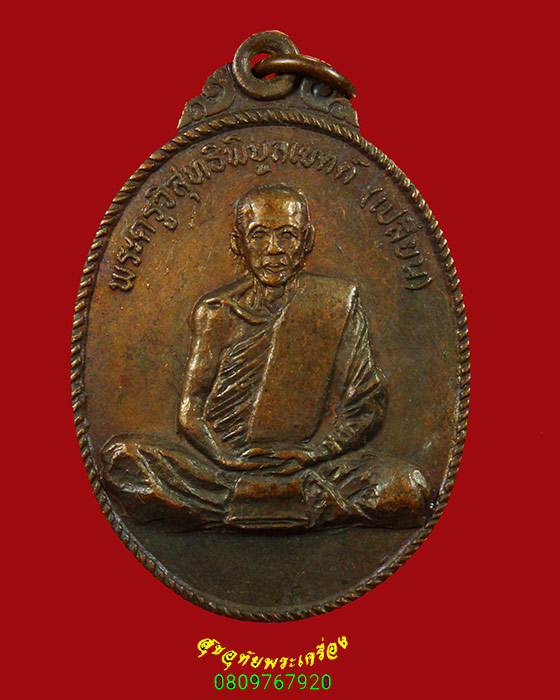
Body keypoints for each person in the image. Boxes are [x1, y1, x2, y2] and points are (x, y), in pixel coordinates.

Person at [101, 184, 430, 530]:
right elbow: (190, 413)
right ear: (238, 244)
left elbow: (366, 405)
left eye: (287, 236)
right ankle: (288, 507)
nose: (274, 250)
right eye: (259, 236)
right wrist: (226, 459)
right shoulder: (216, 313)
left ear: (307, 241)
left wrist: (314, 454)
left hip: (307, 467)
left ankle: (239, 509)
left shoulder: (335, 303)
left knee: (406, 488)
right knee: (122, 461)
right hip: (221, 471)